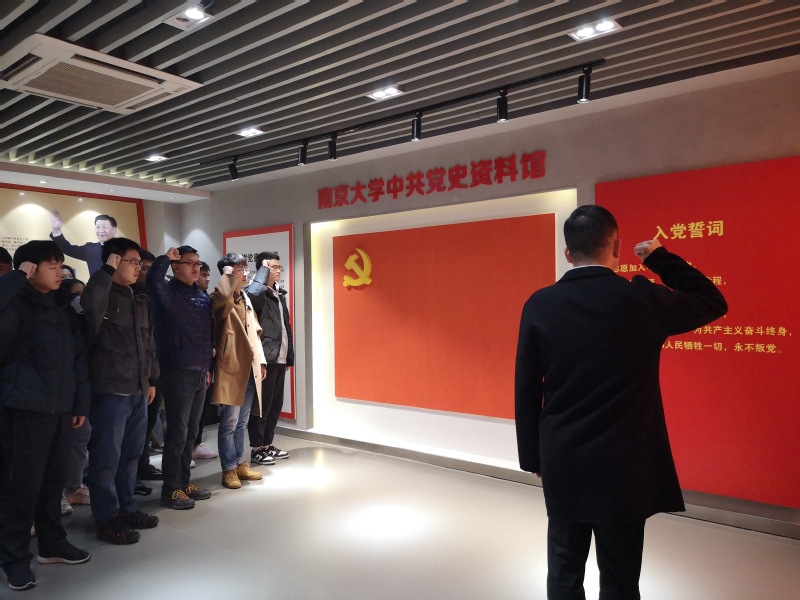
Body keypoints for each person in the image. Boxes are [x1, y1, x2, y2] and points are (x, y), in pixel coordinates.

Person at [514, 205, 728, 600]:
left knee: (563, 569)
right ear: (615, 247)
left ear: (568, 253)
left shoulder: (539, 304)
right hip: (625, 465)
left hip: (563, 459)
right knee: (621, 577)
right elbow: (711, 300)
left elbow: (526, 388)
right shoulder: (641, 299)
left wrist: (533, 458)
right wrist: (660, 258)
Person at [0, 241, 92, 592]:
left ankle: (52, 545)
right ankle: (14, 559)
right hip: (23, 409)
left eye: (60, 265)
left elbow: (77, 358)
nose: (60, 272)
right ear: (29, 269)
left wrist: (79, 403)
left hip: (60, 409)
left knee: (53, 483)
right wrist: (14, 279)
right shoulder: (15, 303)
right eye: (51, 266)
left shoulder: (60, 306)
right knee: (20, 488)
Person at [82, 238, 160, 544]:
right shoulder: (102, 293)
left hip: (138, 389)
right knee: (106, 458)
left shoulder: (138, 298)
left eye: (140, 263)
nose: (138, 268)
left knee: (131, 455)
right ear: (114, 261)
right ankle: (107, 517)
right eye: (133, 262)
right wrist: (105, 271)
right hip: (110, 390)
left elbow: (149, 343)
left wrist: (151, 380)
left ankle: (127, 507)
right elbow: (90, 306)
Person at [146, 246, 213, 510]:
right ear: (175, 267)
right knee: (177, 433)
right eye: (189, 263)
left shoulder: (202, 296)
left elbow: (205, 336)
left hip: (199, 371)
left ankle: (184, 484)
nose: (196, 268)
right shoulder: (168, 293)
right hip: (177, 371)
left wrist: (207, 367)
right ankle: (171, 489)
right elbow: (153, 280)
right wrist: (165, 258)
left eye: (198, 263)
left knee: (191, 433)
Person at [211, 254, 266, 488]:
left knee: (242, 421)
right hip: (231, 366)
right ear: (227, 272)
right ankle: (228, 469)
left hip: (249, 366)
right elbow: (221, 307)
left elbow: (256, 333)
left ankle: (240, 463)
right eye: (238, 269)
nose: (244, 273)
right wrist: (227, 278)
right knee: (229, 422)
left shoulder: (245, 298)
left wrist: (261, 361)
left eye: (245, 268)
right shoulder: (220, 296)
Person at [246, 252, 294, 465]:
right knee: (261, 406)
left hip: (280, 358)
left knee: (275, 405)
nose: (277, 270)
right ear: (262, 269)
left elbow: (285, 328)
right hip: (266, 358)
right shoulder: (257, 291)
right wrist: (263, 271)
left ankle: (267, 444)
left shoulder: (279, 294)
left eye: (278, 267)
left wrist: (289, 357)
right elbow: (253, 296)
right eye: (272, 267)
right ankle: (257, 448)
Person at [136, 250, 166, 485]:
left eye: (149, 268)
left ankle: (143, 465)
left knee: (150, 420)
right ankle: (133, 473)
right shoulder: (129, 295)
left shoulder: (156, 295)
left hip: (158, 366)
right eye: (142, 267)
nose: (145, 272)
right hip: (136, 372)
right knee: (135, 427)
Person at [49, 211, 117, 274]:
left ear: (114, 230)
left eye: (104, 227)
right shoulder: (90, 249)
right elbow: (67, 248)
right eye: (98, 227)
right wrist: (56, 230)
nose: (100, 230)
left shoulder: (122, 249)